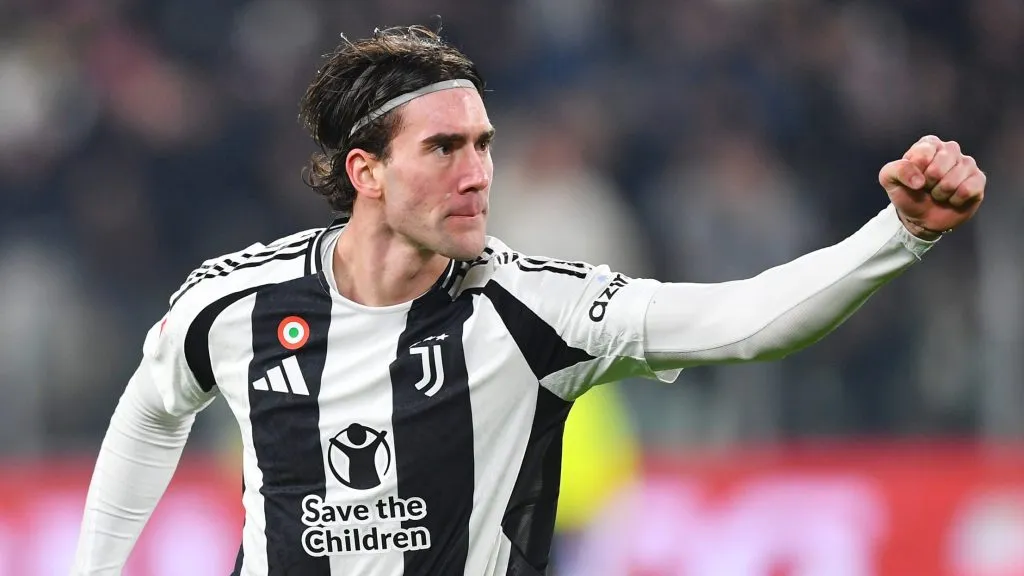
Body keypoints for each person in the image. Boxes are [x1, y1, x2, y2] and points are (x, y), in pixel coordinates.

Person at [71, 24, 986, 576]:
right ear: (368, 172)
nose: (479, 175)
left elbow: (746, 324)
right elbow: (154, 407)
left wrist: (899, 235)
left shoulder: (531, 309)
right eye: (444, 149)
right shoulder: (235, 304)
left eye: (485, 143)